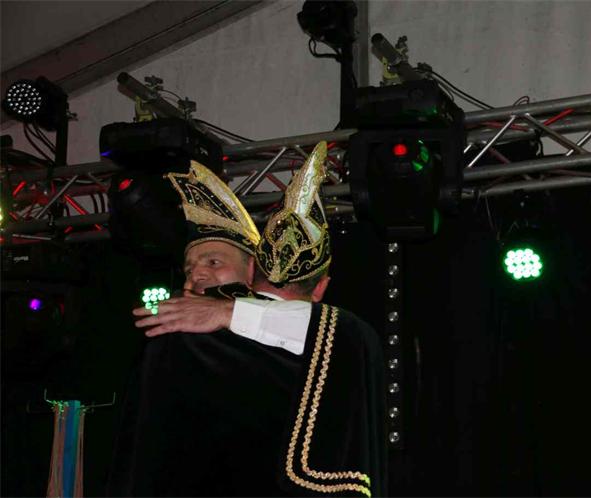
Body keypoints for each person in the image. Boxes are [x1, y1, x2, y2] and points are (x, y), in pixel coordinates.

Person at [107, 142, 386, 497]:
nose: (197, 277)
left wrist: (227, 311)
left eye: (214, 262)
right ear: (321, 287)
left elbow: (339, 331)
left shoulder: (330, 339)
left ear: (251, 270)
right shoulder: (173, 339)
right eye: (189, 270)